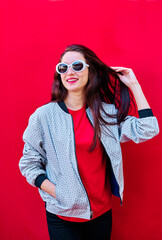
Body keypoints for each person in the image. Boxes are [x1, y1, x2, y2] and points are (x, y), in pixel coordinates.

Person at [19, 44, 159, 240]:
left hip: (101, 214)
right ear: (59, 74)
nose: (70, 72)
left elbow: (148, 129)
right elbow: (28, 163)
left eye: (77, 66)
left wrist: (134, 85)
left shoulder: (105, 113)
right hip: (62, 215)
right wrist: (58, 192)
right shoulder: (44, 117)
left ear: (90, 71)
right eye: (63, 67)